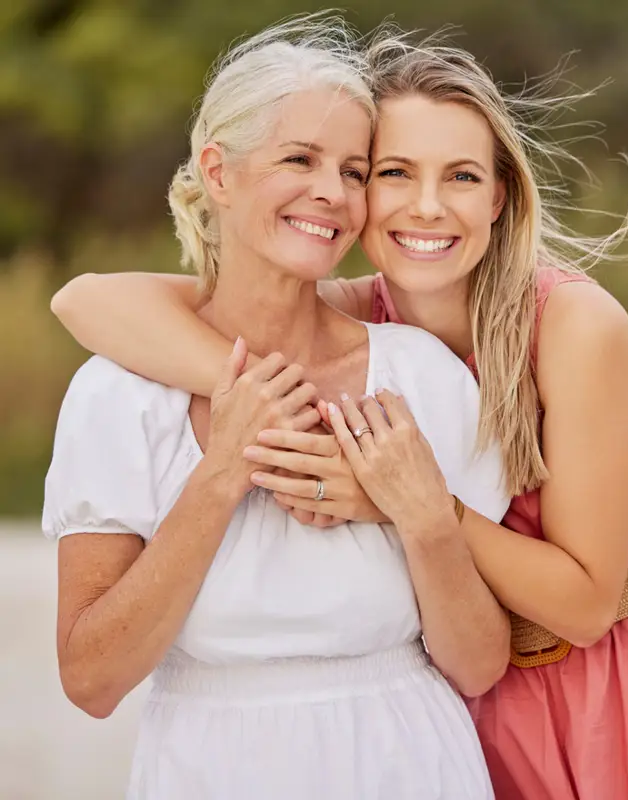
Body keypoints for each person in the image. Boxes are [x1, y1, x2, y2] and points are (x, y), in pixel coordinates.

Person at [52, 27, 628, 800]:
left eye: (463, 176)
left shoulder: (569, 328)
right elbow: (86, 298)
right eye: (392, 172)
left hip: (621, 683)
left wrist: (401, 500)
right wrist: (277, 414)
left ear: (501, 194)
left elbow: (583, 605)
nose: (427, 206)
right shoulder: (364, 312)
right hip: (484, 709)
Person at [43, 18, 513, 800]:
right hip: (211, 768)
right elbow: (90, 680)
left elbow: (478, 664)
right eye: (300, 159)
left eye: (357, 171)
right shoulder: (117, 393)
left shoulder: (423, 378)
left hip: (411, 762)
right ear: (218, 173)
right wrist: (220, 475)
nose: (332, 193)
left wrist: (424, 517)